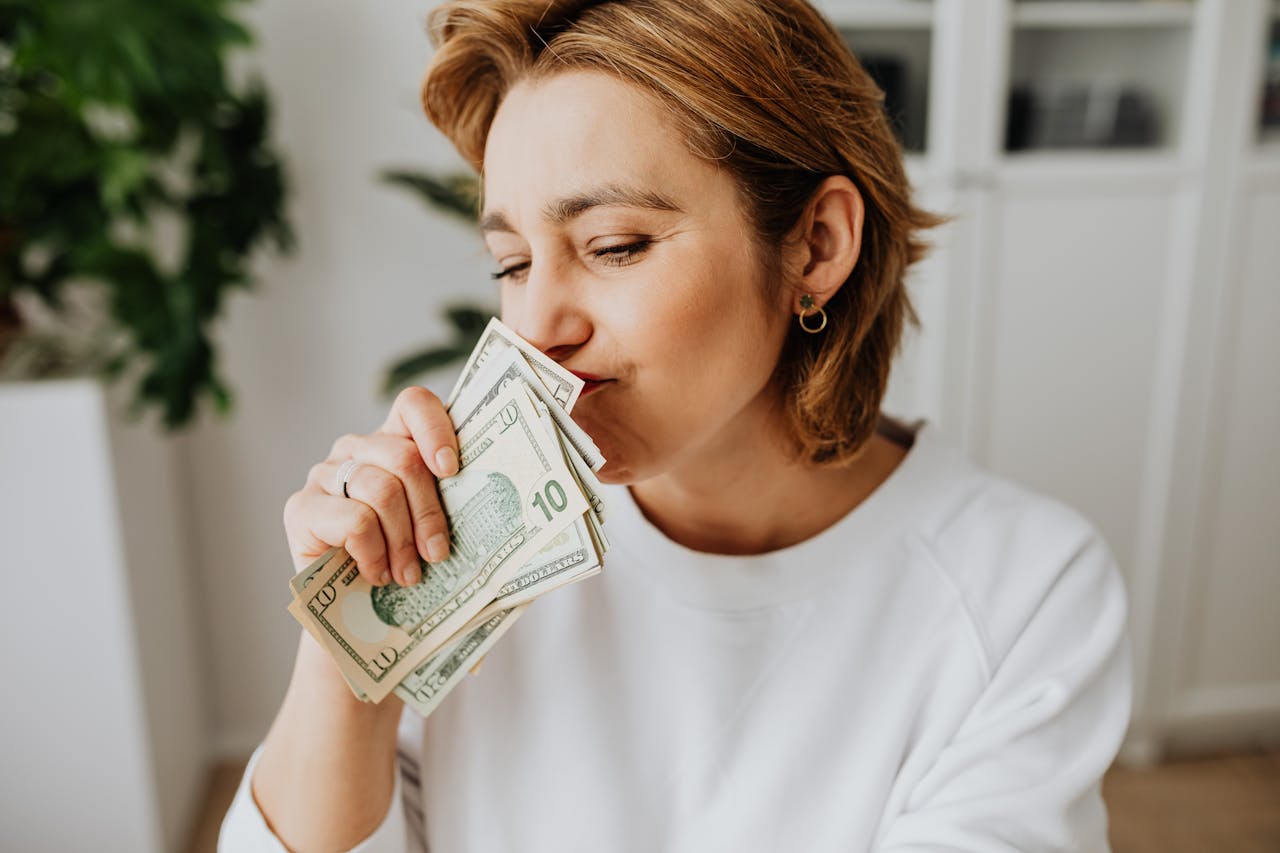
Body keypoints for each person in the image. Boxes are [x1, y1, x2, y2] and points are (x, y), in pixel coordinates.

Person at [220, 0, 1132, 849]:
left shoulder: (1026, 591)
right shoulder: (462, 534)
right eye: (511, 260)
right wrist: (351, 656)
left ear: (816, 245)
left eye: (613, 246)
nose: (536, 326)